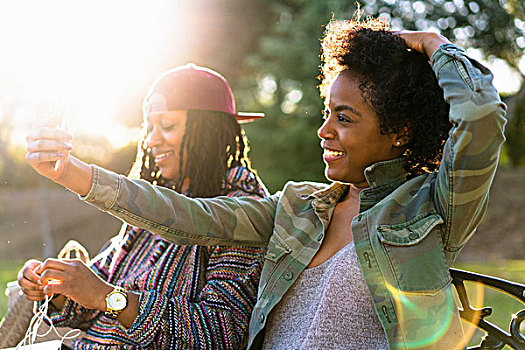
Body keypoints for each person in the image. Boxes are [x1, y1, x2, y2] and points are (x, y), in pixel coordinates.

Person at [26, 20, 507, 350]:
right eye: (325, 114)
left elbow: (483, 117)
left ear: (398, 130)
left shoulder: (430, 207)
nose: (325, 131)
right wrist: (69, 171)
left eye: (345, 118)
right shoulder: (299, 206)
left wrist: (433, 45)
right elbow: (184, 214)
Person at [18, 63, 269, 349]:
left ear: (209, 129)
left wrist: (109, 297)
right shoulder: (154, 202)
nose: (152, 141)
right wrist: (58, 287)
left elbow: (222, 333)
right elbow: (96, 295)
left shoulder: (244, 211)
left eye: (168, 125)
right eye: (148, 128)